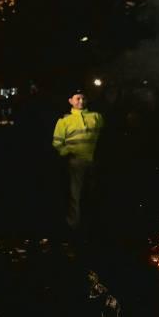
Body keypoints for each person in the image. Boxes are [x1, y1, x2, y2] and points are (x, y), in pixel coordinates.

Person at [52, 88, 104, 231]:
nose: (81, 101)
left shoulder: (96, 117)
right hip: (75, 162)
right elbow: (57, 142)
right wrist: (68, 153)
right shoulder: (64, 120)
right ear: (70, 101)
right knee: (75, 195)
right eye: (77, 98)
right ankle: (74, 225)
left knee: (92, 193)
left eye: (83, 98)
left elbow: (103, 138)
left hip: (93, 161)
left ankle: (91, 223)